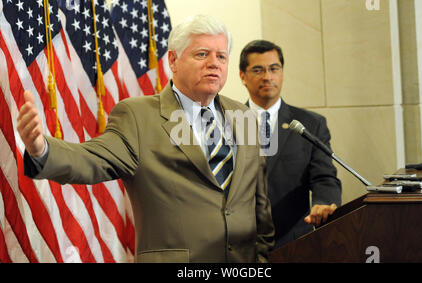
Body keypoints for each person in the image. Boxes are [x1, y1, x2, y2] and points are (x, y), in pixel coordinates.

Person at [17, 15, 274, 263]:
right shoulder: (138, 116)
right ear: (173, 60)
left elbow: (259, 204)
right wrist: (42, 149)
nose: (214, 63)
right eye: (202, 54)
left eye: (221, 56)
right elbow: (92, 159)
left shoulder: (245, 117)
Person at [239, 40, 342, 249]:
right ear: (243, 76)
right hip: (240, 244)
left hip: (294, 242)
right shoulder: (225, 122)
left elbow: (324, 176)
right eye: (258, 70)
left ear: (282, 72)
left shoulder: (310, 124)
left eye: (274, 69)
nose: (267, 77)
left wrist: (323, 202)